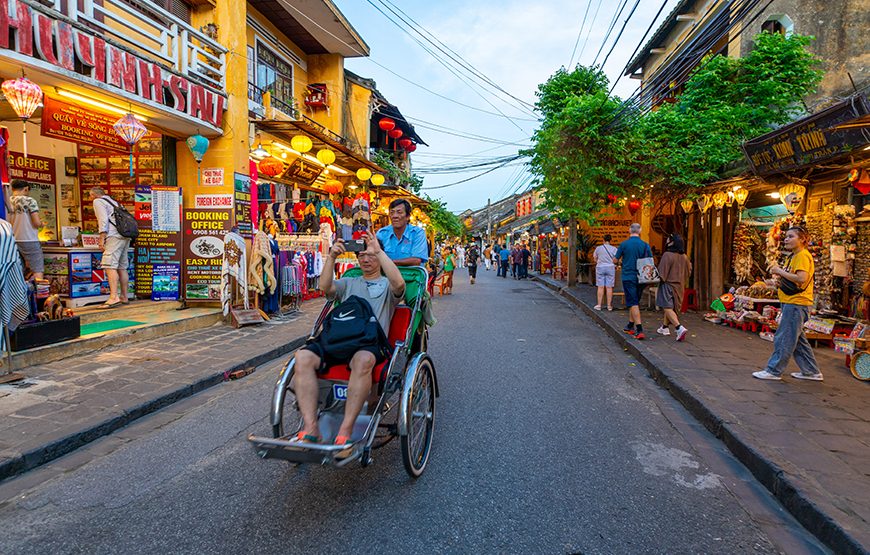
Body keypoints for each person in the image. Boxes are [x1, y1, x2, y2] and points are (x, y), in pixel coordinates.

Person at [292, 230, 405, 445]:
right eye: (361, 254)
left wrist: (378, 251)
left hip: (368, 344)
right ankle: (310, 426)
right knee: (302, 357)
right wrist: (332, 256)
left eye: (370, 254)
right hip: (339, 341)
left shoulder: (386, 285)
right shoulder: (349, 282)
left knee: (363, 361)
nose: (365, 258)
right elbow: (325, 287)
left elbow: (399, 285)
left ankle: (347, 427)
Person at [753, 227, 823, 381]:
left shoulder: (802, 256)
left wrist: (779, 271)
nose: (786, 239)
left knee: (785, 337)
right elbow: (793, 278)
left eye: (791, 236)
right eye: (785, 236)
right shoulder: (795, 256)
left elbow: (801, 278)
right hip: (792, 302)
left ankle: (774, 370)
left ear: (802, 239)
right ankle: (811, 371)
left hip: (796, 303)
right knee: (797, 340)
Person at [90, 186, 131, 308]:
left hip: (113, 236)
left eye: (90, 196)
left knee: (109, 265)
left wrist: (101, 238)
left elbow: (103, 220)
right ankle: (124, 295)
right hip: (124, 236)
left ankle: (114, 297)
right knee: (122, 267)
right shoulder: (114, 202)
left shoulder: (98, 201)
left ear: (94, 195)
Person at [615, 223, 652, 340]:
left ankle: (639, 329)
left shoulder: (624, 244)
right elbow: (650, 261)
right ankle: (630, 325)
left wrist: (620, 263)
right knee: (634, 300)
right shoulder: (645, 245)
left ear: (629, 230)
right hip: (642, 278)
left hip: (628, 276)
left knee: (633, 302)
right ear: (640, 231)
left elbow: (615, 260)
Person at [655, 234, 692, 341]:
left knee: (666, 306)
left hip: (668, 284)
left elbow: (662, 273)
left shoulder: (667, 255)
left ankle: (679, 327)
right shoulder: (684, 257)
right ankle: (665, 327)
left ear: (672, 242)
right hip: (680, 286)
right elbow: (688, 272)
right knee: (672, 307)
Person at [4, 180, 43, 279]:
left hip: (12, 240)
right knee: (37, 269)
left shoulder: (7, 201)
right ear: (26, 189)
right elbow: (36, 222)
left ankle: (19, 294)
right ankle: (40, 294)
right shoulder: (30, 201)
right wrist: (41, 224)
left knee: (18, 270)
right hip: (29, 239)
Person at [376, 199, 429, 267]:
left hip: (411, 275)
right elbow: (375, 254)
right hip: (387, 275)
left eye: (399, 212)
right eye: (392, 213)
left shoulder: (417, 233)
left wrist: (389, 262)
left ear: (408, 216)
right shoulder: (382, 233)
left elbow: (416, 260)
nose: (395, 216)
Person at [592, 234, 618, 311]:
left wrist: (599, 262)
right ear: (610, 240)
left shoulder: (598, 248)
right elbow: (616, 259)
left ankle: (599, 305)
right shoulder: (614, 249)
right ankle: (609, 306)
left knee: (600, 287)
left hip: (600, 267)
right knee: (609, 287)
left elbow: (595, 258)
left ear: (603, 240)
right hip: (610, 267)